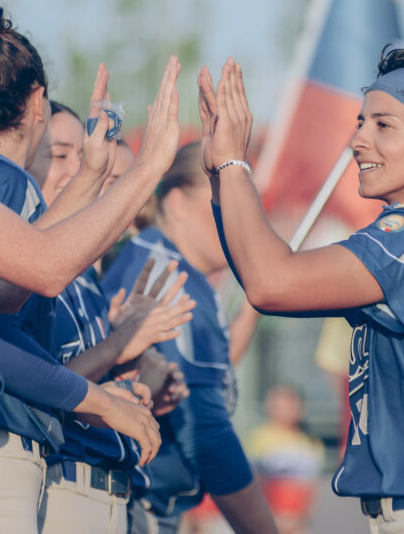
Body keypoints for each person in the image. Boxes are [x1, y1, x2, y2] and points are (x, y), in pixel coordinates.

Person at [198, 51, 404, 533]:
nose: (358, 139)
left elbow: (270, 282)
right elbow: (263, 278)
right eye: (361, 122)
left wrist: (235, 163)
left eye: (383, 124)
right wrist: (221, 177)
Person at [0, 21, 168, 533]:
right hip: (0, 448)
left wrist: (95, 173)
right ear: (37, 104)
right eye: (62, 152)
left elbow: (16, 282)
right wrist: (149, 165)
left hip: (14, 452)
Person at [32, 100, 194, 534]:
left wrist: (136, 373)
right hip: (64, 486)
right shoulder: (33, 272)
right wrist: (122, 342)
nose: (116, 194)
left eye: (121, 181)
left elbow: (89, 387)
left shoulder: (87, 281)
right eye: (61, 156)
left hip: (111, 492)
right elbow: (45, 384)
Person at [102, 142, 277, 534]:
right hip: (139, 507)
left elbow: (206, 382)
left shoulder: (169, 266)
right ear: (178, 203)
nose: (242, 217)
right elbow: (204, 429)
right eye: (224, 201)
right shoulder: (164, 275)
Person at [245, 385, 325, 534]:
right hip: (270, 519)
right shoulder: (259, 438)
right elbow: (255, 482)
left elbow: (313, 486)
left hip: (299, 522)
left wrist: (302, 518)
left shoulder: (311, 442)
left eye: (289, 402)